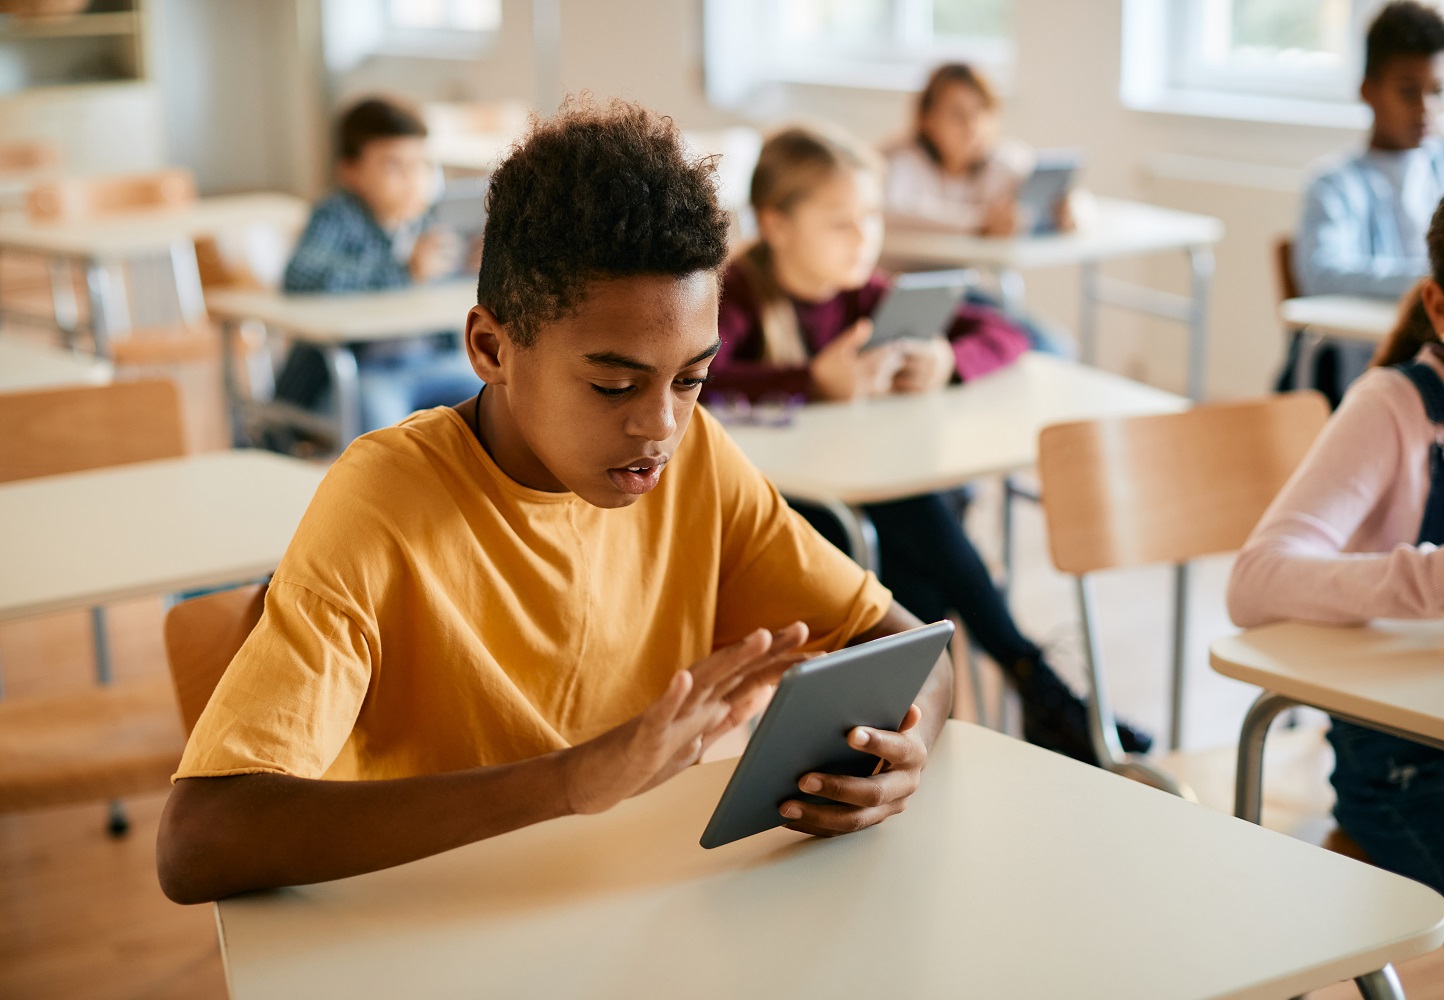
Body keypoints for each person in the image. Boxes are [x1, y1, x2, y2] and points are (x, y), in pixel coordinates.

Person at [156, 99, 953, 905]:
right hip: (426, 921)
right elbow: (199, 840)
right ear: (490, 348)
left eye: (691, 378)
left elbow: (914, 654)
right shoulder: (384, 501)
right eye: (614, 384)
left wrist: (898, 746)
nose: (661, 425)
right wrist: (574, 781)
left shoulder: (697, 457)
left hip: (631, 903)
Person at [712, 125, 1151, 765]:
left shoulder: (865, 294)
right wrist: (811, 382)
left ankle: (936, 722)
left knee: (916, 543)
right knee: (916, 522)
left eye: (871, 217)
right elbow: (702, 378)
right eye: (840, 222)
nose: (864, 237)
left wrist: (947, 357)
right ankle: (1032, 683)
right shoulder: (735, 295)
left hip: (869, 510)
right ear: (775, 225)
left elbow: (1003, 330)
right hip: (786, 521)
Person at [1230, 165, 1444, 996]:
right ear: (1442, 310)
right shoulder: (1394, 408)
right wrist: (1440, 574)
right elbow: (1257, 583)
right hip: (1409, 766)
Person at [1286, 1, 1444, 406]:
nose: (1425, 108)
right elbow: (1323, 274)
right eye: (1408, 91)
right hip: (1364, 374)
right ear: (1368, 91)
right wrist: (1432, 281)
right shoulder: (1334, 184)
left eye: (1437, 91)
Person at [274, 97, 481, 438]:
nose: (412, 179)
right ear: (350, 171)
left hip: (432, 361)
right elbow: (301, 276)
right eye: (394, 167)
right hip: (365, 371)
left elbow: (441, 291)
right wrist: (401, 269)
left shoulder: (432, 219)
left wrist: (473, 267)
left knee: (495, 396)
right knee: (384, 429)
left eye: (421, 166)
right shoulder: (337, 216)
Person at [882, 63, 1073, 237]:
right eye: (957, 114)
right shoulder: (904, 161)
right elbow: (895, 211)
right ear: (927, 119)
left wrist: (1068, 211)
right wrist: (980, 223)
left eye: (981, 111)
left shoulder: (1004, 161)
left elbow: (1059, 195)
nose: (971, 126)